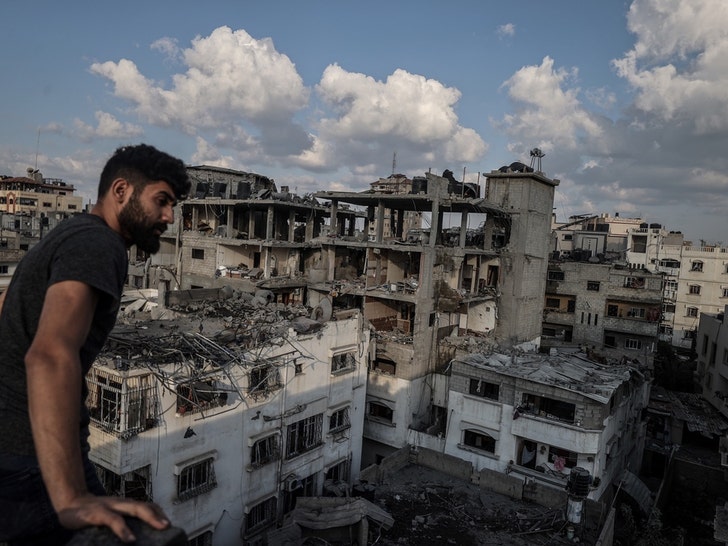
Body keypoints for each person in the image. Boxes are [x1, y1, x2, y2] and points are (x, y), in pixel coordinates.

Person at [0, 144, 190, 545]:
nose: (169, 217)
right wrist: (70, 498)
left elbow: (6, 305)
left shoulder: (71, 232)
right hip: (31, 460)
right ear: (121, 191)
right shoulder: (98, 245)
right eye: (161, 201)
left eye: (172, 206)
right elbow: (50, 355)